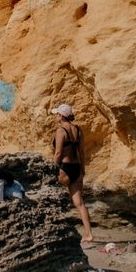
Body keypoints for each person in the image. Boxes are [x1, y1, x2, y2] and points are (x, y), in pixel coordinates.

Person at [49, 104, 94, 246]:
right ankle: (89, 234)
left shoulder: (61, 131)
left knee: (50, 194)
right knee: (80, 203)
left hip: (64, 167)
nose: (56, 116)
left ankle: (52, 231)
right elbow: (81, 152)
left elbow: (58, 153)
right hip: (76, 167)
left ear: (62, 116)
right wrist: (83, 169)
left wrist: (51, 168)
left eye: (57, 114)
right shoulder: (78, 130)